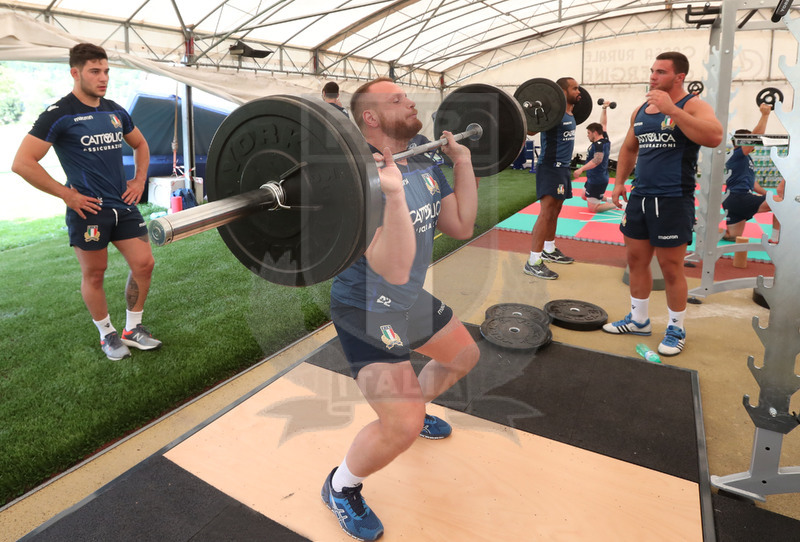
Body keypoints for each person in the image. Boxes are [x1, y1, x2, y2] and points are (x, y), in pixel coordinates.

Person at [321, 77, 480, 541]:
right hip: (366, 307)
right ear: (370, 117)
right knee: (403, 425)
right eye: (398, 100)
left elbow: (461, 224)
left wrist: (463, 162)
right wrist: (389, 194)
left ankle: (412, 408)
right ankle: (341, 486)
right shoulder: (358, 180)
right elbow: (390, 268)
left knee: (463, 356)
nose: (411, 103)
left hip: (406, 298)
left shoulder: (426, 158)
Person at [11, 43, 161, 361]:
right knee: (95, 274)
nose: (103, 77)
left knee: (145, 264)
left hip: (123, 207)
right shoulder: (58, 114)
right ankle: (107, 334)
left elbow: (141, 145)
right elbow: (23, 162)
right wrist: (67, 194)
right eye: (95, 71)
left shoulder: (115, 111)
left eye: (106, 71)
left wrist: (138, 180)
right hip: (88, 211)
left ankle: (132, 329)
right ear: (75, 73)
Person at [604, 51, 723, 357]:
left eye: (660, 72)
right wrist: (618, 182)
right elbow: (630, 148)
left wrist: (673, 110)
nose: (653, 76)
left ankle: (676, 328)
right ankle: (639, 320)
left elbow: (714, 136)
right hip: (640, 197)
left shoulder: (692, 105)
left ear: (679, 77)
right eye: (652, 71)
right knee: (636, 261)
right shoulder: (642, 110)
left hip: (673, 199)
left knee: (671, 269)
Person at [523, 77, 582, 280]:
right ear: (562, 92)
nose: (579, 91)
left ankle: (549, 248)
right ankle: (533, 261)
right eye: (574, 88)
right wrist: (533, 111)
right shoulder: (553, 114)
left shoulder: (571, 113)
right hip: (550, 167)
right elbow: (530, 128)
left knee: (556, 211)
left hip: (563, 168)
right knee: (546, 213)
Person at [722, 102, 784, 243]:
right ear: (742, 142)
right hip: (739, 198)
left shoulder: (744, 159)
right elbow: (756, 137)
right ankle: (775, 239)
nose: (753, 144)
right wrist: (765, 115)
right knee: (781, 204)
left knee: (733, 237)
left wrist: (766, 194)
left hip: (733, 201)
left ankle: (702, 229)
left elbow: (753, 183)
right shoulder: (737, 154)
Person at [574, 101, 616, 213]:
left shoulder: (599, 145)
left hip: (597, 180)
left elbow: (597, 160)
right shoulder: (604, 138)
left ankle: (618, 204)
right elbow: (604, 124)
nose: (587, 135)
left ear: (595, 133)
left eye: (588, 133)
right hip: (593, 177)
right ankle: (609, 199)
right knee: (584, 196)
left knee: (593, 209)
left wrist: (581, 169)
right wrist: (604, 108)